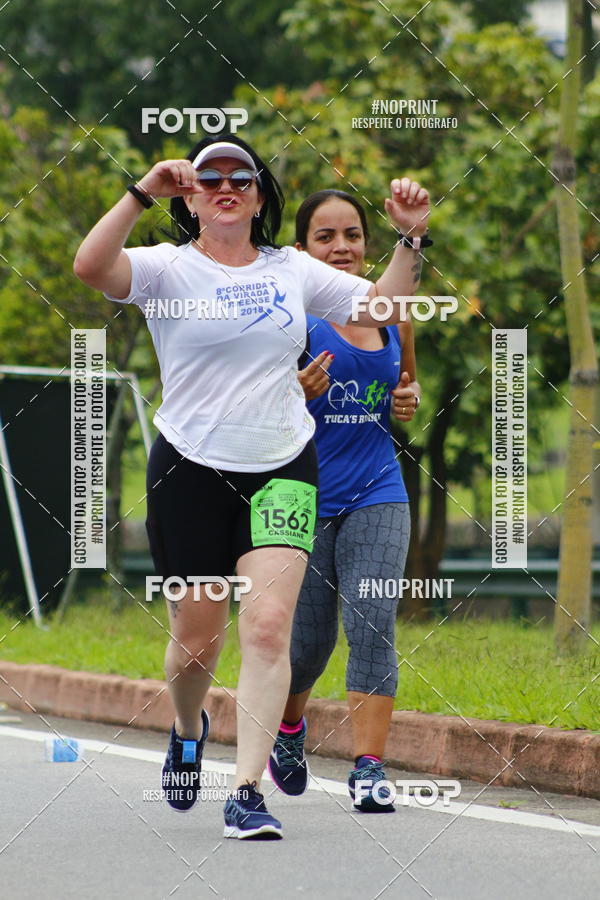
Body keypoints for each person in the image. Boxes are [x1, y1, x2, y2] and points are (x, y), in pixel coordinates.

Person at [73, 134, 429, 839]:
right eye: (212, 177)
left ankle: (245, 792)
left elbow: (382, 308)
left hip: (282, 465)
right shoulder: (165, 268)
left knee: (267, 628)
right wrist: (143, 191)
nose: (227, 184)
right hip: (189, 469)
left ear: (261, 196)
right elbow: (90, 267)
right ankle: (185, 729)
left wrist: (410, 238)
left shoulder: (291, 269)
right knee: (197, 642)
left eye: (243, 176)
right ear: (194, 197)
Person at [268, 188, 426, 812]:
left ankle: (368, 768)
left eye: (353, 235)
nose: (341, 247)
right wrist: (294, 391)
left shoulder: (390, 314)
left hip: (377, 492)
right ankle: (287, 729)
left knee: (373, 624)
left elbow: (404, 387)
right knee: (306, 646)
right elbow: (258, 407)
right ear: (303, 250)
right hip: (302, 497)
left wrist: (403, 404)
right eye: (325, 237)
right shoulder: (291, 317)